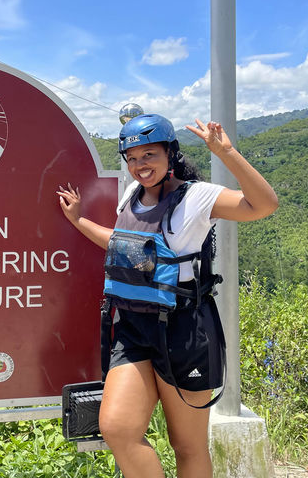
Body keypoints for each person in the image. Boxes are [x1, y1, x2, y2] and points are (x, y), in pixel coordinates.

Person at [57, 114, 278, 478]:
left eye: (149, 155)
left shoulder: (196, 196)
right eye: (132, 158)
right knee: (117, 429)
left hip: (183, 329)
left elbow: (264, 205)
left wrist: (226, 153)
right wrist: (79, 221)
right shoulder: (131, 196)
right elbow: (122, 245)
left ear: (170, 154)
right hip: (132, 326)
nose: (140, 165)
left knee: (187, 446)